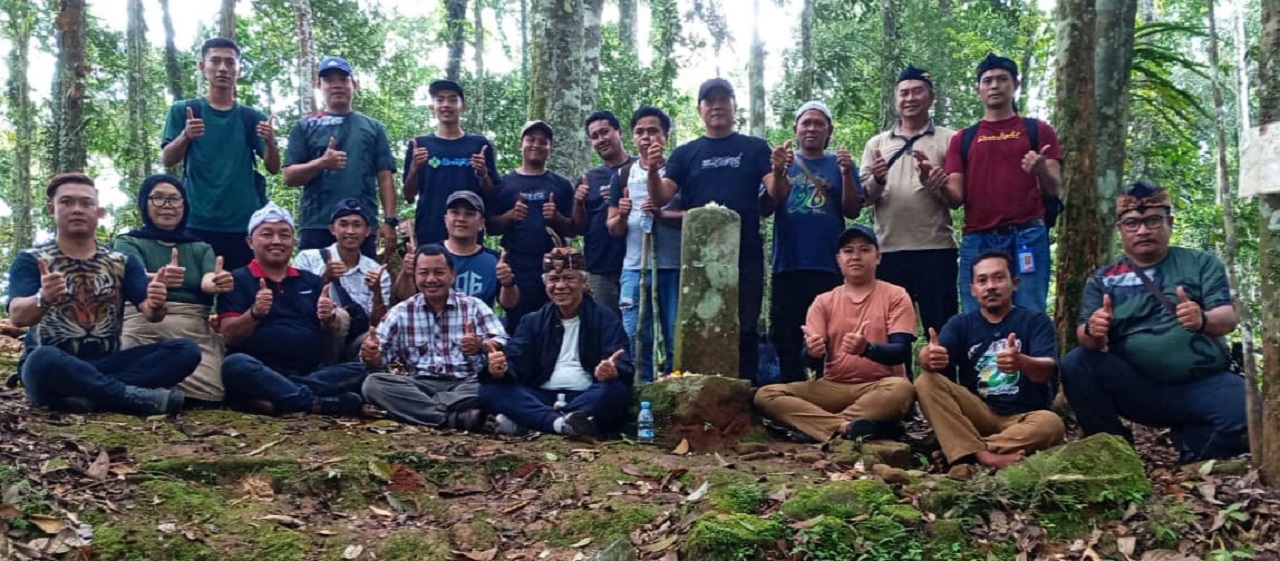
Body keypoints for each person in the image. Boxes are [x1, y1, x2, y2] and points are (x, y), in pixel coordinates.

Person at [1061, 181, 1247, 464]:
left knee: (1248, 413)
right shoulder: (1104, 278)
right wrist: (1094, 330)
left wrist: (1202, 319)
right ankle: (1113, 450)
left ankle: (1194, 446)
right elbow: (1086, 337)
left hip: (1203, 382)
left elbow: (1228, 318)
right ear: (1120, 229)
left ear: (1169, 222)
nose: (1143, 230)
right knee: (1076, 363)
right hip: (1140, 388)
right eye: (1132, 223)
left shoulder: (1200, 263)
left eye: (1152, 221)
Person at [7, 173, 198, 415]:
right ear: (51, 209)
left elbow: (151, 313)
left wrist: (159, 301)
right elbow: (18, 317)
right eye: (67, 202)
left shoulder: (121, 261)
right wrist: (42, 298)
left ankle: (87, 395)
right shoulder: (30, 260)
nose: (77, 209)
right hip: (55, 361)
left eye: (86, 203)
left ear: (99, 212)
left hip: (107, 361)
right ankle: (129, 397)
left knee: (186, 351)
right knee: (41, 360)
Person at [649, 78, 790, 384]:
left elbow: (776, 192)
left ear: (733, 106)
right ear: (699, 109)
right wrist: (650, 170)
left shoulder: (754, 147)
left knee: (746, 324)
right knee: (701, 321)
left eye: (723, 99)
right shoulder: (686, 153)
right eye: (709, 101)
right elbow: (661, 196)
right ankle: (701, 387)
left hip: (746, 252)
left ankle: (746, 394)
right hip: (699, 260)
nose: (716, 106)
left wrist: (779, 171)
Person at [753, 225, 917, 442]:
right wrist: (812, 351)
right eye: (848, 251)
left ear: (878, 257)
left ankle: (820, 426)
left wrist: (867, 349)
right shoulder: (824, 301)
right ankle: (845, 427)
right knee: (766, 395)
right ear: (838, 259)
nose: (856, 257)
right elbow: (810, 360)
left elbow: (901, 351)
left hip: (880, 385)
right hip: (832, 386)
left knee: (902, 390)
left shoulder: (895, 295)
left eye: (864, 250)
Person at [916, 250, 1064, 469]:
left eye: (999, 278)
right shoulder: (960, 324)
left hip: (1024, 417)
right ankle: (984, 455)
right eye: (982, 280)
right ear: (973, 290)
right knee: (925, 381)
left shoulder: (1036, 321)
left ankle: (968, 452)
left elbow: (1045, 371)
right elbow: (934, 357)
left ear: (1014, 283)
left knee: (1052, 424)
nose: (991, 286)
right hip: (979, 413)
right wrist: (927, 356)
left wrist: (1021, 362)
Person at [217, 202, 366, 416]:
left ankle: (278, 397)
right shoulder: (237, 280)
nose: (276, 241)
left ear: (293, 242)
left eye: (284, 235)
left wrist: (329, 318)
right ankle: (314, 403)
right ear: (250, 242)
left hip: (309, 371)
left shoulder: (311, 281)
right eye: (267, 234)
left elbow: (330, 330)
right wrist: (255, 313)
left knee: (360, 369)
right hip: (259, 368)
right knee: (235, 365)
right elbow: (229, 336)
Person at [944, 53, 1062, 314]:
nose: (994, 86)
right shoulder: (964, 138)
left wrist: (1041, 169)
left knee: (1030, 310)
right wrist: (935, 183)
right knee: (975, 315)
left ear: (1015, 85)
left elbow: (1055, 188)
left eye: (1002, 79)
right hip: (978, 237)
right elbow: (955, 198)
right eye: (987, 81)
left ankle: (1031, 356)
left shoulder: (1038, 130)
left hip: (1027, 235)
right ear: (979, 90)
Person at [479, 247, 633, 437]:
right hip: (540, 396)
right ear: (545, 284)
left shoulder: (605, 318)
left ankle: (537, 422)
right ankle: (562, 423)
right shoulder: (532, 321)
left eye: (568, 279)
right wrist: (500, 369)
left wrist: (611, 370)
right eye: (553, 279)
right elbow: (516, 360)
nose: (560, 286)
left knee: (615, 391)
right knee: (491, 389)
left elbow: (620, 359)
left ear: (584, 284)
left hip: (586, 395)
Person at [763, 100, 863, 384]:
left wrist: (845, 173)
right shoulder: (783, 161)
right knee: (786, 332)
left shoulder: (839, 164)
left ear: (829, 130)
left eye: (819, 123)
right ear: (795, 128)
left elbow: (852, 210)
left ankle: (829, 388)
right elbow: (770, 203)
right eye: (806, 122)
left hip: (829, 264)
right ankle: (791, 392)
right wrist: (779, 171)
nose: (812, 128)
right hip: (788, 264)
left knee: (831, 332)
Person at [114, 174, 234, 404]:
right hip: (142, 322)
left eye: (174, 199)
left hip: (192, 327)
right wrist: (157, 278)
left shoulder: (200, 247)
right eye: (158, 198)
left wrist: (218, 282)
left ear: (185, 205)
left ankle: (148, 392)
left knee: (212, 392)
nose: (167, 206)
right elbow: (131, 274)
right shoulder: (128, 242)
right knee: (127, 363)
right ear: (144, 203)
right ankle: (132, 392)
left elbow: (207, 279)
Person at [161, 37, 279, 270]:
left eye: (230, 63)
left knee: (239, 296)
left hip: (243, 224)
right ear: (202, 66)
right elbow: (168, 159)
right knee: (197, 292)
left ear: (239, 70)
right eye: (215, 61)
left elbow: (274, 167)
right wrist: (185, 136)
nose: (223, 69)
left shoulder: (251, 117)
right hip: (196, 220)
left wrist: (271, 142)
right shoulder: (186, 111)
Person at [360, 245, 508, 430]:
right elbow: (378, 358)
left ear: (452, 274)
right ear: (415, 275)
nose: (431, 279)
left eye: (439, 272)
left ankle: (425, 409)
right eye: (424, 273)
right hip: (419, 384)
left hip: (466, 383)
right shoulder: (402, 312)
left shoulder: (473, 306)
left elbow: (501, 341)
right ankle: (452, 418)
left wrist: (481, 345)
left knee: (496, 384)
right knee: (373, 384)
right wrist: (372, 354)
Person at [861, 65, 958, 336]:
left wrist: (936, 182)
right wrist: (877, 180)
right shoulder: (877, 143)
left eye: (918, 92)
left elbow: (957, 198)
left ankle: (944, 380)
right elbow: (862, 199)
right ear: (896, 99)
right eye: (904, 93)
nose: (910, 98)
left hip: (936, 249)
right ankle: (894, 380)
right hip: (888, 251)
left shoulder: (949, 139)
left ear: (931, 97)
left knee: (941, 328)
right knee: (891, 333)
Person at [283, 56, 398, 258]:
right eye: (329, 80)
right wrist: (322, 163)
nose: (337, 85)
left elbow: (385, 177)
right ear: (318, 85)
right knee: (314, 285)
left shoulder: (372, 128)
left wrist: (389, 221)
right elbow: (289, 177)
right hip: (318, 223)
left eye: (343, 79)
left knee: (363, 285)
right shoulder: (305, 126)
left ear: (355, 84)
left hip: (362, 224)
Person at [608, 107, 684, 383]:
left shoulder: (679, 170)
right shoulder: (622, 174)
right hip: (634, 268)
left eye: (653, 131)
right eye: (640, 132)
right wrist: (624, 215)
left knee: (676, 334)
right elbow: (613, 227)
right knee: (636, 334)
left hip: (674, 266)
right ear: (632, 137)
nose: (646, 137)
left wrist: (663, 215)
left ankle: (674, 390)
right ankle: (640, 391)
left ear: (665, 135)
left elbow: (695, 216)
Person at [487, 121, 576, 331]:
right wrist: (509, 216)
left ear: (550, 148)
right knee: (518, 323)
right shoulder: (504, 183)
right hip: (517, 265)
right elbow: (490, 226)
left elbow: (574, 229)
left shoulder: (561, 184)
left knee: (555, 323)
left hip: (554, 266)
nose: (536, 145)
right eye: (531, 140)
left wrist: (556, 218)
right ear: (521, 144)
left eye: (543, 142)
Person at [292, 198, 392, 361]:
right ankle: (327, 367)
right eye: (344, 224)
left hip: (356, 341)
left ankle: (354, 372)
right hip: (314, 334)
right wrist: (325, 278)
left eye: (357, 225)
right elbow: (296, 302)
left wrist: (377, 292)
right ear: (332, 229)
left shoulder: (375, 270)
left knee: (380, 338)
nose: (350, 231)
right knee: (340, 316)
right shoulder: (308, 259)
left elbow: (379, 322)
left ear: (367, 231)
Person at [404, 79, 499, 246]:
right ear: (432, 106)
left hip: (468, 234)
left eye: (453, 99)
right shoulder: (419, 145)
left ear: (463, 106)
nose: (446, 105)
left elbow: (492, 195)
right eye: (440, 99)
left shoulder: (479, 145)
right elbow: (409, 196)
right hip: (430, 231)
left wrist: (483, 173)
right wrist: (414, 169)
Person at [573, 111, 634, 314]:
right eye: (595, 136)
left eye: (605, 132)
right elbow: (579, 228)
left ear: (619, 131)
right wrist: (579, 203)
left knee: (638, 331)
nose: (601, 139)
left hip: (635, 265)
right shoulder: (589, 178)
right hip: (600, 267)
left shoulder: (640, 169)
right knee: (604, 328)